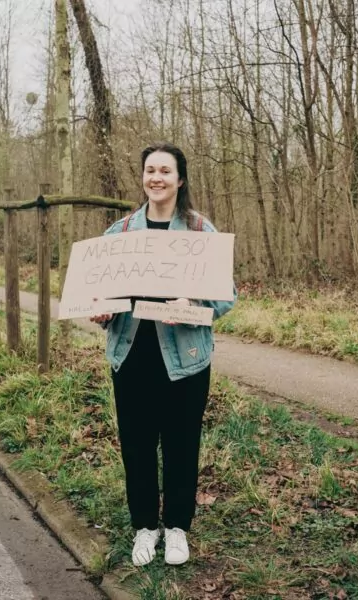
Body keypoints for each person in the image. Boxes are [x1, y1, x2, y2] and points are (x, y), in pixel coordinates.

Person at [90, 141, 236, 567]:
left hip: (185, 359)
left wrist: (193, 303)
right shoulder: (118, 235)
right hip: (132, 356)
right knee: (136, 446)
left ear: (180, 179)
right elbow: (99, 294)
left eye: (165, 171)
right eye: (150, 170)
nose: (156, 178)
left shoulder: (200, 232)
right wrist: (99, 310)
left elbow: (226, 295)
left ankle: (176, 528)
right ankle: (144, 527)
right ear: (143, 177)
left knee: (181, 444)